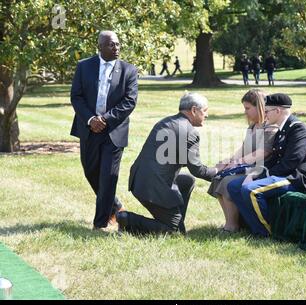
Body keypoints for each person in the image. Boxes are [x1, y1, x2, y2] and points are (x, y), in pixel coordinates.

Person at [117, 92, 220, 235]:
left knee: (186, 181)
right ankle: (127, 219)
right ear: (194, 110)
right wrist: (218, 171)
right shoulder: (190, 132)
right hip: (153, 186)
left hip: (139, 179)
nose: (207, 115)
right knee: (173, 232)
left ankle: (178, 221)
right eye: (205, 111)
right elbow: (198, 170)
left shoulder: (166, 122)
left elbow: (169, 157)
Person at [70, 30, 138, 231]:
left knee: (108, 176)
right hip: (88, 128)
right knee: (91, 171)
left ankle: (100, 223)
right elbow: (76, 96)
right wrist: (91, 119)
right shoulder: (84, 66)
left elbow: (130, 101)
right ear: (99, 47)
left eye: (117, 44)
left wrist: (105, 120)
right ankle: (115, 206)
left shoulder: (129, 70)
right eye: (111, 44)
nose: (116, 48)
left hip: (113, 131)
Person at [227, 93, 306, 237]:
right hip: (281, 175)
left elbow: (289, 164)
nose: (265, 114)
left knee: (251, 190)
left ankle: (265, 233)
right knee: (233, 186)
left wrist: (260, 175)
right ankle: (253, 227)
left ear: (278, 111)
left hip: (294, 178)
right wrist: (254, 172)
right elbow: (274, 159)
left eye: (267, 111)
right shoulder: (284, 128)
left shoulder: (298, 129)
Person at [208, 89, 279, 232]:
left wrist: (239, 162)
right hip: (247, 166)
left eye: (247, 108)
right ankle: (232, 221)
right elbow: (243, 147)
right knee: (218, 178)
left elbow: (264, 152)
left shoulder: (270, 127)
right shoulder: (253, 126)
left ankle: (232, 226)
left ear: (259, 106)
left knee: (227, 181)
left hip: (260, 169)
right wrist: (230, 161)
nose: (245, 112)